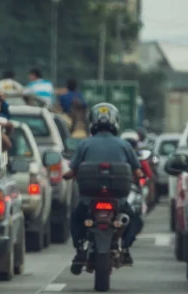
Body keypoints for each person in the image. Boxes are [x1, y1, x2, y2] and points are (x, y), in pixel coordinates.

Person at [62, 103, 145, 266]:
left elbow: (70, 172)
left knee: (76, 218)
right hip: (118, 199)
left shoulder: (84, 144)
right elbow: (139, 173)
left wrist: (65, 176)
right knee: (135, 220)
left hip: (89, 198)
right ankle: (126, 248)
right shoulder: (125, 145)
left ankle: (79, 249)